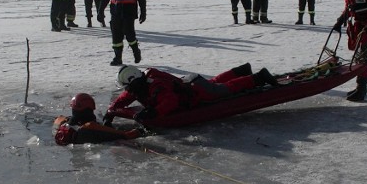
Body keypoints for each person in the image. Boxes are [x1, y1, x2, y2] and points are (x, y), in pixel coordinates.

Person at [104, 64, 280, 124]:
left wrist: (154, 113)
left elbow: (170, 101)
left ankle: (258, 77)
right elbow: (124, 99)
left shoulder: (154, 85)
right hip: (192, 83)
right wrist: (112, 110)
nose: (127, 91)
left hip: (197, 91)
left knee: (224, 90)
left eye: (127, 87)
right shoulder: (140, 85)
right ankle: (240, 70)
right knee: (215, 84)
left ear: (134, 81)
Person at [53, 93, 141, 145]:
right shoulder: (87, 127)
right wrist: (124, 134)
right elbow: (91, 125)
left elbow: (59, 118)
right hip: (86, 136)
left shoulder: (63, 122)